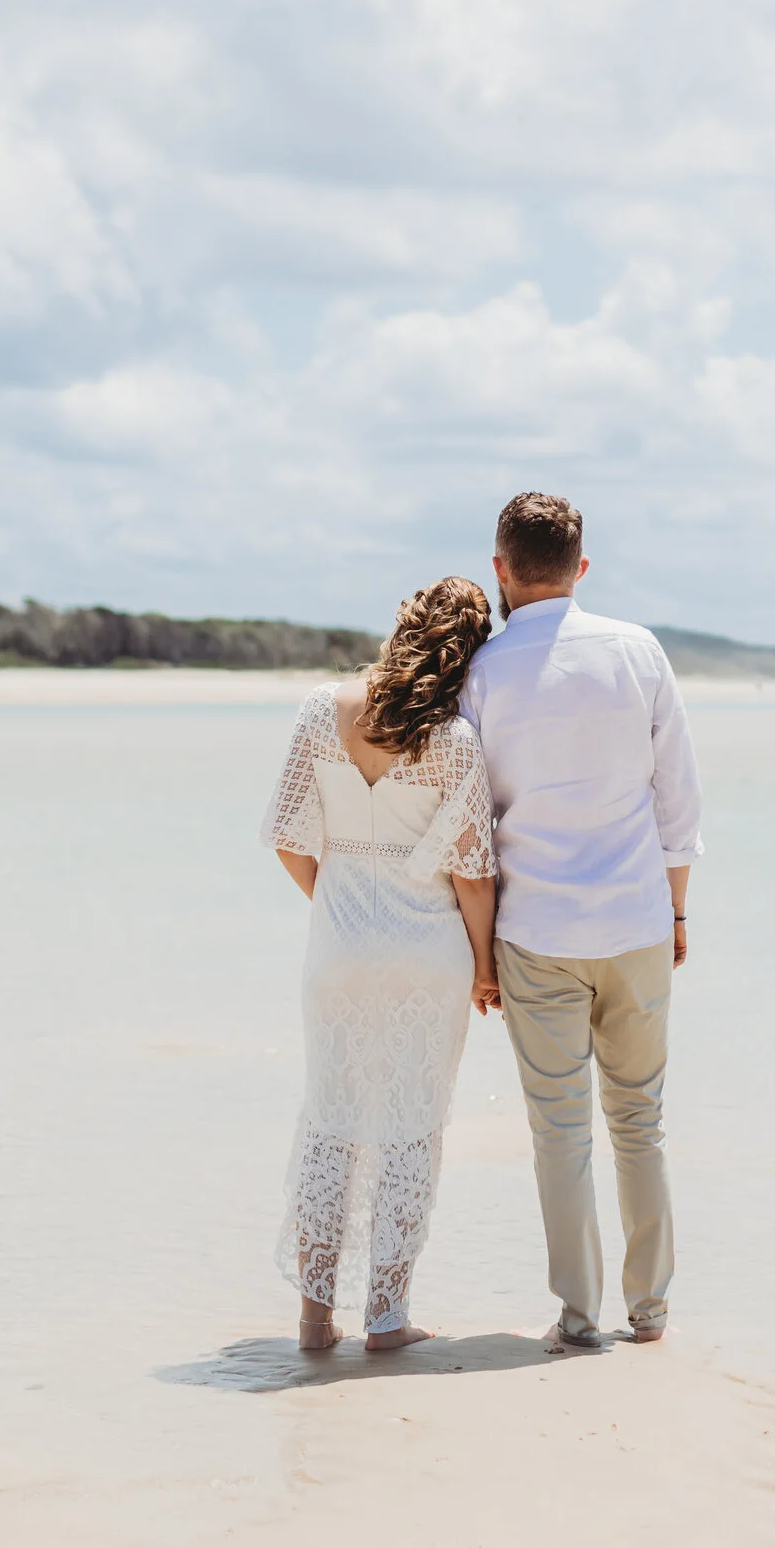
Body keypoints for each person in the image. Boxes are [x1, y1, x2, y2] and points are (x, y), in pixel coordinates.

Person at [459, 493, 703, 1350]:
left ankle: (577, 1315)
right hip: (636, 921)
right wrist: (675, 909)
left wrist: (478, 956)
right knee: (639, 1118)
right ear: (582, 569)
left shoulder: (482, 673)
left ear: (500, 568)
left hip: (536, 933)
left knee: (558, 1131)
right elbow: (678, 798)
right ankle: (652, 1310)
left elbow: (472, 822)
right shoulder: (638, 651)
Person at [261, 577, 500, 1352]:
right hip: (426, 953)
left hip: (337, 951)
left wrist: (340, 910)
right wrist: (485, 968)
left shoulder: (319, 711)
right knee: (408, 1128)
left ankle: (313, 1316)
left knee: (331, 1121)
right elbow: (470, 872)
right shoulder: (456, 740)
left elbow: (291, 840)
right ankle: (389, 1317)